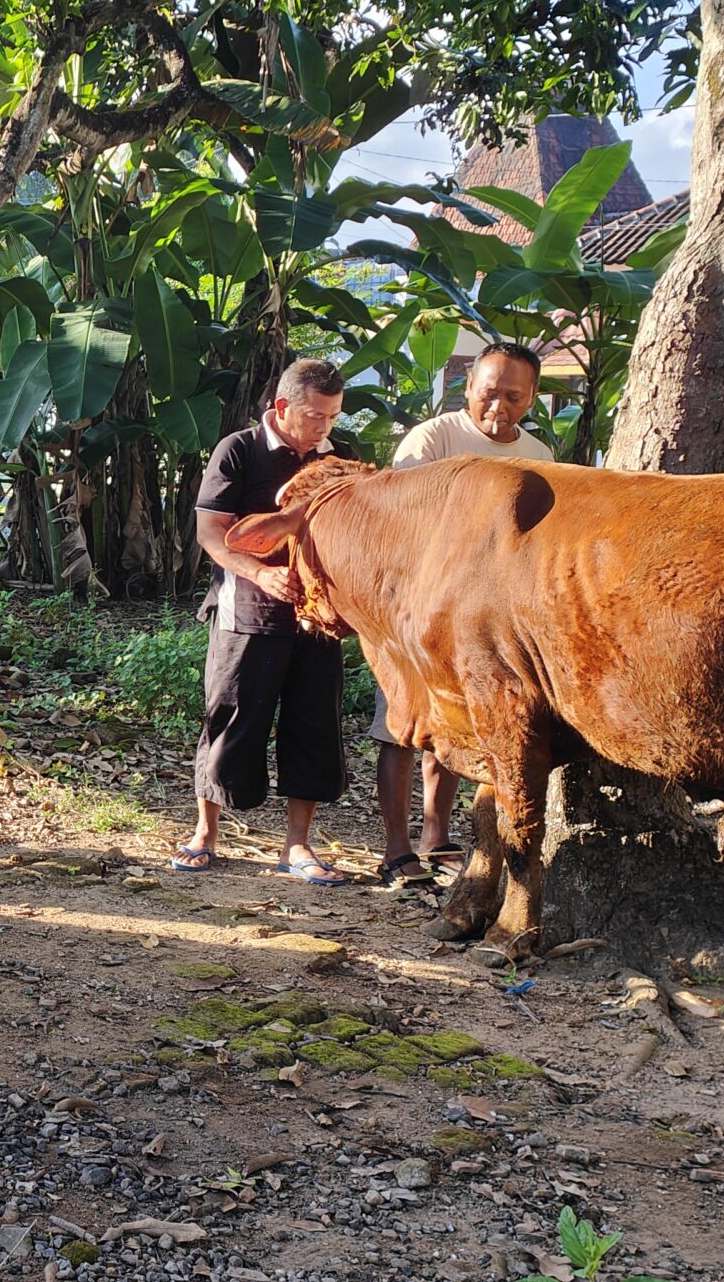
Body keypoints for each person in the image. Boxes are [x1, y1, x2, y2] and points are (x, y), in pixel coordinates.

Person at [372, 342, 554, 886]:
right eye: (488, 392)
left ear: (532, 398)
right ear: (469, 386)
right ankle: (396, 849)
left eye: (513, 396)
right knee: (400, 727)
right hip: (418, 610)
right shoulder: (434, 439)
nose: (498, 405)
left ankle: (437, 834)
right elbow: (398, 515)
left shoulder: (539, 457)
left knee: (462, 725)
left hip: (492, 621)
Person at [176, 357, 354, 883]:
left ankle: (297, 845)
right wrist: (261, 573)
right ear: (281, 408)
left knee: (313, 726)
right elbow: (212, 534)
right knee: (231, 721)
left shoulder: (341, 459)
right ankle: (205, 832)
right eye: (315, 417)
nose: (325, 429)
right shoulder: (239, 450)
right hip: (245, 614)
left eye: (333, 417)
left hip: (319, 618)